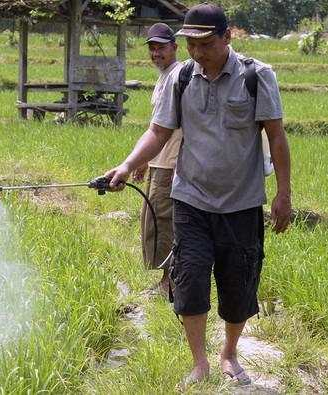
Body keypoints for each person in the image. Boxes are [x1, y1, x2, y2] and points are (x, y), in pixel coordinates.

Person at [104, 3, 292, 390]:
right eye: (191, 44)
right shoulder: (182, 78)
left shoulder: (257, 77)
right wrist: (126, 166)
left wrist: (283, 194)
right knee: (189, 282)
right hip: (189, 199)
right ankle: (200, 362)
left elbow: (275, 134)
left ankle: (229, 353)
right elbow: (158, 131)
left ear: (227, 37)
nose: (198, 52)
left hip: (241, 203)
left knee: (238, 285)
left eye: (206, 43)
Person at [133, 23, 182, 296]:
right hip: (159, 160)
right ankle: (166, 281)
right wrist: (144, 160)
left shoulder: (177, 76)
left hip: (172, 163)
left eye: (161, 47)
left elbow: (170, 129)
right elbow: (157, 125)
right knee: (155, 221)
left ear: (175, 47)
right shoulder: (164, 76)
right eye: (152, 48)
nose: (156, 53)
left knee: (166, 222)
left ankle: (171, 285)